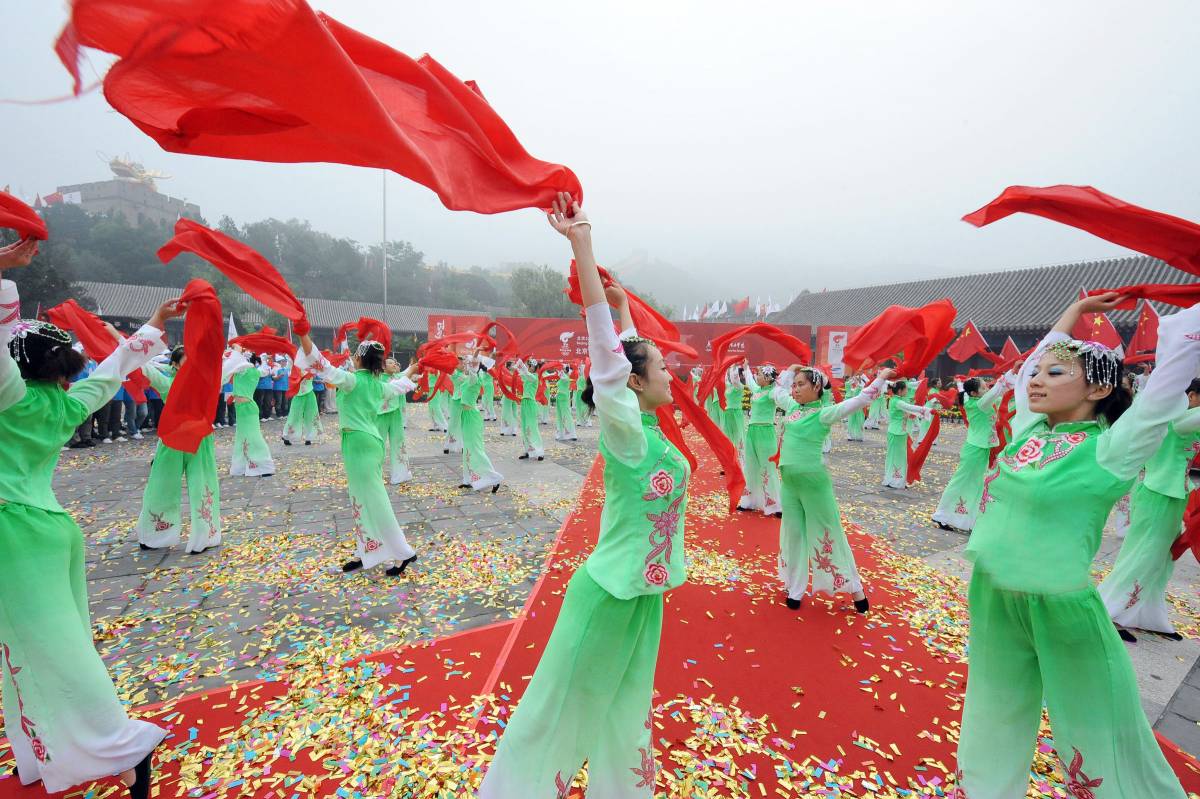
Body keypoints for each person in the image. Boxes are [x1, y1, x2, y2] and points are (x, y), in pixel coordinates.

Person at [480, 193, 687, 798]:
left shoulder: (648, 432)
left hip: (645, 595)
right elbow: (609, 363)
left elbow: (622, 359)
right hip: (608, 595)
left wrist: (627, 315)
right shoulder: (626, 437)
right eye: (662, 368)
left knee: (626, 714)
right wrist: (583, 245)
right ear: (636, 383)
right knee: (560, 711)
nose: (671, 374)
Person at [953, 293, 1200, 799]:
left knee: (1095, 723)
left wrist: (1189, 332)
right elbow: (1026, 377)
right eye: (1037, 372)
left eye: (1056, 374)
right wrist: (1077, 308)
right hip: (993, 590)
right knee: (993, 706)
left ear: (1100, 387)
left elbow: (1159, 400)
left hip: (1060, 605)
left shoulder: (1111, 448)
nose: (1038, 380)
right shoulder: (1026, 432)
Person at [0, 240, 179, 798]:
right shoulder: (67, 403)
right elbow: (114, 366)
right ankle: (39, 755)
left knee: (53, 650)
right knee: (30, 647)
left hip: (15, 530)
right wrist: (152, 324)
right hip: (50, 529)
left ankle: (126, 743)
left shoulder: (10, 401)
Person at [296, 332, 418, 577]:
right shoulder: (377, 384)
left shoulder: (352, 381)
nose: (351, 356)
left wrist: (303, 334)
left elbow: (321, 363)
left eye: (355, 354)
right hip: (365, 442)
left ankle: (403, 552)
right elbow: (400, 383)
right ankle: (368, 550)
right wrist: (413, 368)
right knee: (361, 498)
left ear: (360, 360)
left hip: (359, 443)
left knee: (374, 498)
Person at [774, 364, 884, 612]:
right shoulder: (792, 408)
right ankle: (795, 588)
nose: (796, 389)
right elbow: (776, 392)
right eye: (795, 385)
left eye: (801, 384)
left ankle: (856, 590)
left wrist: (881, 379)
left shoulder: (823, 413)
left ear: (816, 387)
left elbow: (858, 401)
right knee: (793, 534)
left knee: (829, 533)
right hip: (789, 483)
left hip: (814, 484)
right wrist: (789, 372)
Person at [1097, 378, 1200, 642]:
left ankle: (1146, 613)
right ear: (1191, 396)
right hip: (1159, 493)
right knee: (1143, 554)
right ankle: (1107, 610)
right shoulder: (1176, 419)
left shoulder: (1185, 419)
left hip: (1174, 493)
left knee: (1161, 559)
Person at [135, 344, 243, 554]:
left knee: (202, 485)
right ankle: (155, 534)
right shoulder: (168, 383)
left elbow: (227, 367)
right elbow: (145, 367)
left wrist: (237, 351)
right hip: (172, 440)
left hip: (199, 440)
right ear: (174, 365)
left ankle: (205, 535)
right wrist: (120, 340)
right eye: (187, 360)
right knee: (161, 485)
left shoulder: (207, 383)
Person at [930, 376, 1010, 532]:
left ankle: (967, 519)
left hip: (981, 448)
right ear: (974, 393)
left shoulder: (972, 399)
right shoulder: (979, 404)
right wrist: (1006, 377)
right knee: (960, 481)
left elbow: (995, 394)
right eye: (983, 388)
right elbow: (994, 393)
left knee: (976, 483)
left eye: (987, 387)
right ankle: (940, 515)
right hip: (975, 448)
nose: (986, 389)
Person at [456, 352, 504, 491]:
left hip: (471, 415)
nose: (466, 365)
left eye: (469, 363)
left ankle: (493, 477)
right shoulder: (468, 378)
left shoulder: (475, 378)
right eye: (467, 363)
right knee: (468, 448)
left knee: (475, 448)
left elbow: (472, 374)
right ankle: (468, 479)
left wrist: (475, 363)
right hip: (466, 414)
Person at [739, 362, 782, 516]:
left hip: (766, 431)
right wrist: (746, 368)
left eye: (759, 375)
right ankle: (748, 501)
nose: (756, 377)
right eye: (757, 374)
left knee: (767, 468)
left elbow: (782, 397)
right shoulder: (757, 390)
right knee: (750, 466)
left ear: (767, 378)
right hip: (752, 431)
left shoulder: (773, 392)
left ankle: (775, 505)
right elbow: (750, 381)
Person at [228, 350, 276, 476]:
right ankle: (243, 465)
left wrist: (234, 354)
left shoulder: (247, 369)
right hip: (241, 408)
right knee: (242, 437)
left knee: (254, 436)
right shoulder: (242, 370)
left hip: (248, 407)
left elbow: (264, 370)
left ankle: (265, 465)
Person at [880, 380, 930, 489]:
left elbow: (910, 408)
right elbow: (910, 408)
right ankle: (895, 480)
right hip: (897, 433)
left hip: (898, 432)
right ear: (900, 390)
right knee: (897, 457)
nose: (908, 390)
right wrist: (926, 410)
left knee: (896, 456)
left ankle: (893, 479)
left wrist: (921, 382)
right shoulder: (897, 402)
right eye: (906, 389)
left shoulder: (898, 399)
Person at [378, 358, 417, 484]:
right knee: (379, 445)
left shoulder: (397, 376)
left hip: (395, 413)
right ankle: (375, 475)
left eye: (395, 362)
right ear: (383, 366)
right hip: (380, 415)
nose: (394, 363)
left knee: (399, 443)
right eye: (390, 362)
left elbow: (408, 373)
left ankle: (400, 474)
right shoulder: (377, 377)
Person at [281, 367, 322, 446]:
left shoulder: (311, 366)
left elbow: (318, 372)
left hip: (310, 393)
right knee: (294, 415)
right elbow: (292, 379)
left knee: (311, 415)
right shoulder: (295, 367)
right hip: (299, 394)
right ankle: (286, 436)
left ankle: (309, 437)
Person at [516, 359, 545, 461]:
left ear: (533, 367)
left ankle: (540, 451)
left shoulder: (534, 377)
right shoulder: (527, 377)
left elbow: (526, 373)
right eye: (528, 366)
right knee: (524, 428)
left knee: (532, 427)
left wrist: (521, 363)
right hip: (524, 403)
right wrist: (518, 363)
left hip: (531, 403)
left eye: (529, 366)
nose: (528, 367)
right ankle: (528, 450)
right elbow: (521, 372)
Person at [554, 364, 579, 441]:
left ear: (566, 370)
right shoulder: (561, 377)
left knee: (566, 415)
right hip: (559, 398)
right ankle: (561, 434)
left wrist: (559, 371)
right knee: (559, 416)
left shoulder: (566, 378)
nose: (561, 370)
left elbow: (563, 377)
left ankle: (572, 434)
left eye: (563, 369)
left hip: (564, 399)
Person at [844, 374, 866, 441]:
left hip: (857, 406)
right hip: (853, 404)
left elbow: (860, 384)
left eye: (856, 380)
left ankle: (859, 435)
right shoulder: (853, 386)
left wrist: (858, 379)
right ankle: (851, 435)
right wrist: (855, 378)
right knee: (852, 420)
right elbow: (852, 383)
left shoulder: (860, 387)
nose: (854, 381)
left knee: (858, 421)